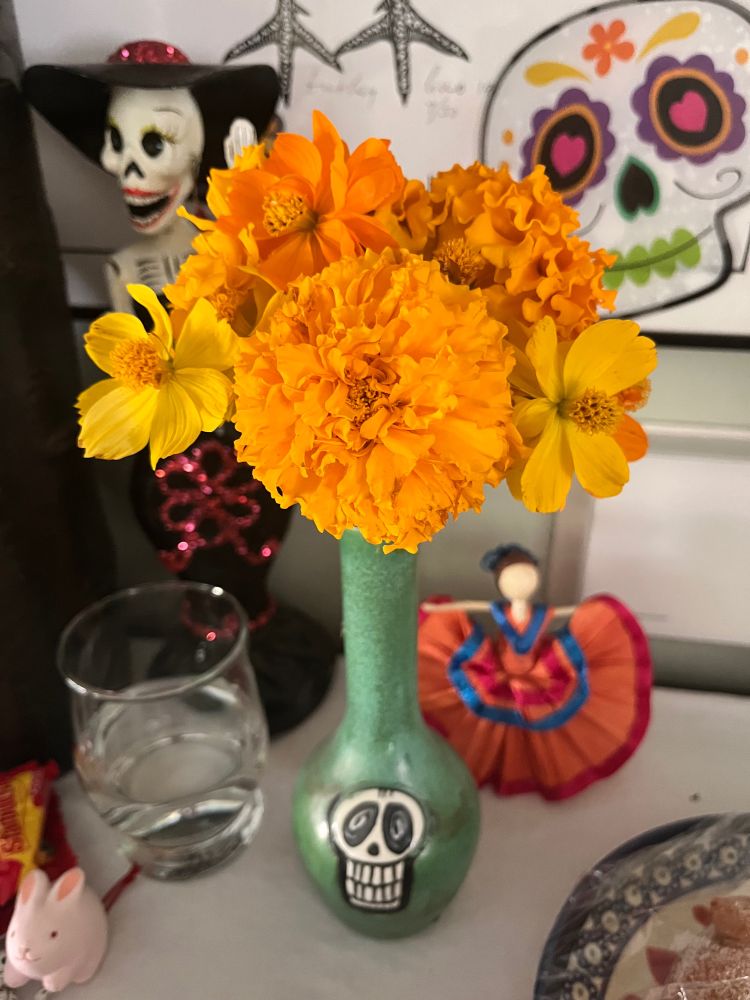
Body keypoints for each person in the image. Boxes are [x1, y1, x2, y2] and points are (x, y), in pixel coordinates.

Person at [418, 544, 652, 800]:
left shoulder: (540, 614)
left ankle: (533, 767)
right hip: (500, 668)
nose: (520, 584)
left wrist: (592, 613)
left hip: (538, 670)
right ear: (499, 581)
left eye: (526, 576)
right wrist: (438, 610)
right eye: (512, 577)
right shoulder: (503, 611)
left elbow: (567, 613)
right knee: (489, 711)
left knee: (536, 715)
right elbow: (469, 607)